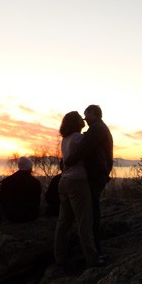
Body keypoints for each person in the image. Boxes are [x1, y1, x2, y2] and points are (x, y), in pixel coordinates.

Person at [64, 105, 113, 258]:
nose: (84, 117)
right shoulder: (99, 128)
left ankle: (95, 249)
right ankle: (93, 248)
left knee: (92, 212)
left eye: (86, 114)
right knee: (91, 210)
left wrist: (67, 162)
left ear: (93, 113)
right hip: (99, 173)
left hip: (96, 174)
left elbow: (84, 149)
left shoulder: (96, 129)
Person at [53, 112, 99, 268]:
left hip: (64, 181)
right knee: (84, 223)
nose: (83, 119)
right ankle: (92, 259)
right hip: (78, 182)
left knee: (63, 222)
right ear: (75, 122)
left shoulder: (65, 140)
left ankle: (60, 257)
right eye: (80, 117)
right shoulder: (78, 138)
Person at [0, 156, 41, 223]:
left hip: (13, 216)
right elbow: (37, 201)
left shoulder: (7, 181)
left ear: (19, 167)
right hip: (31, 216)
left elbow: (2, 200)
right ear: (30, 168)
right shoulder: (36, 182)